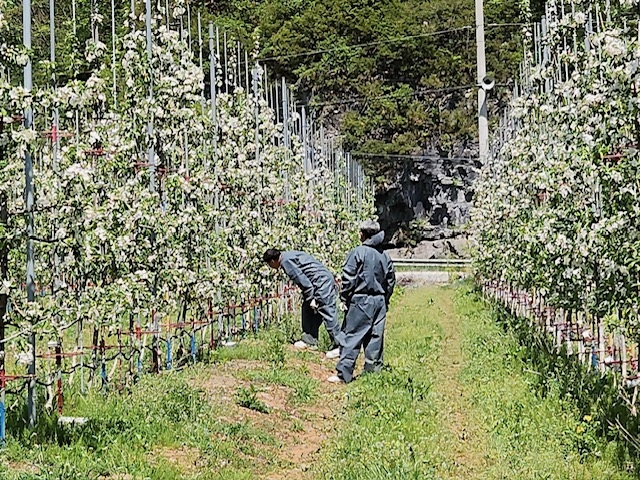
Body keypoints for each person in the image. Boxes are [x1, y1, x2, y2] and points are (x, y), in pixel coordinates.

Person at [328, 220, 396, 384]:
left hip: (361, 299)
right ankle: (373, 374)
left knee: (352, 336)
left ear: (364, 234)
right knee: (375, 337)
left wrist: (344, 297)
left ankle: (344, 373)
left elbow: (348, 277)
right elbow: (391, 280)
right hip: (379, 300)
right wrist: (384, 299)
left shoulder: (358, 252)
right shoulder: (384, 255)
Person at [263, 248, 342, 357]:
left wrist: (312, 298)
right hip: (321, 280)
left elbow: (304, 283)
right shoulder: (288, 255)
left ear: (272, 261)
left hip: (321, 282)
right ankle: (310, 340)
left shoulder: (286, 262)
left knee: (327, 311)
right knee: (308, 309)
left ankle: (340, 346)